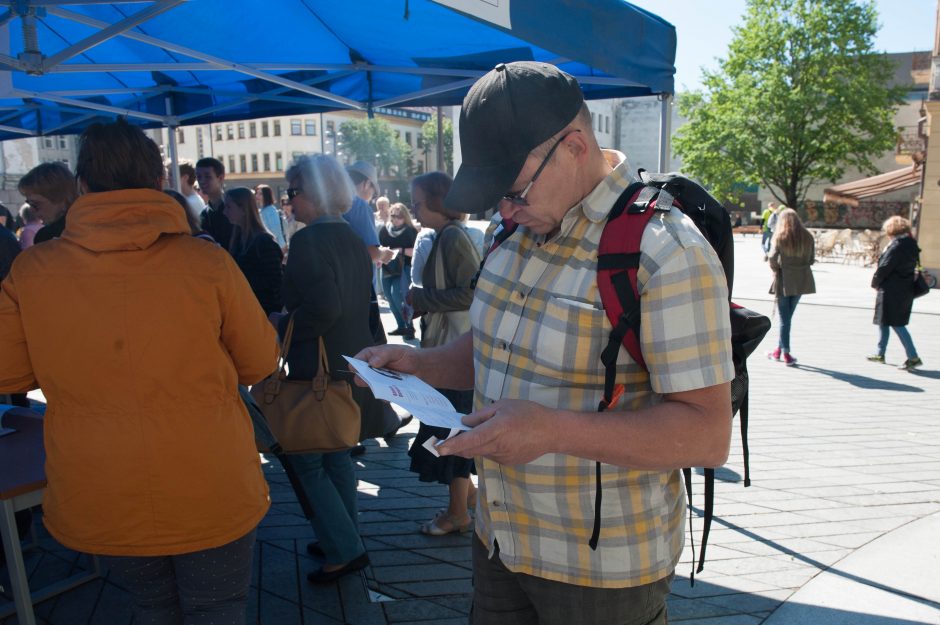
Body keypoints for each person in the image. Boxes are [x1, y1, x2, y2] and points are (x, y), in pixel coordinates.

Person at [355, 61, 733, 625]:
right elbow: (494, 349)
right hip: (499, 540)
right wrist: (417, 364)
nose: (503, 210)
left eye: (513, 191)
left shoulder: (665, 250)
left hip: (600, 569)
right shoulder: (513, 233)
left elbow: (707, 434)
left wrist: (551, 430)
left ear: (574, 147)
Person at [0, 119, 278, 624]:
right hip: (209, 477)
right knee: (217, 609)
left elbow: (8, 373)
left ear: (82, 185)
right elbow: (260, 361)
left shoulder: (33, 270)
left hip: (102, 477)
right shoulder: (205, 262)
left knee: (152, 607)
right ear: (158, 182)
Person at [276, 154, 386, 584]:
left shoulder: (309, 241)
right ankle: (342, 534)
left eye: (293, 192)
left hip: (316, 366)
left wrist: (281, 324)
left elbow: (322, 307)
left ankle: (343, 546)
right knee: (337, 453)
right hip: (348, 363)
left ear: (315, 194)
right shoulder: (351, 238)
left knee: (308, 459)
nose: (289, 202)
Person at [406, 171, 481, 535]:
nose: (414, 209)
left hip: (454, 354)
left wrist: (421, 299)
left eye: (418, 202)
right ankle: (464, 501)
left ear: (438, 202)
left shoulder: (451, 238)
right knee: (450, 428)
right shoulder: (447, 236)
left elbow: (469, 294)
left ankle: (458, 513)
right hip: (453, 351)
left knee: (450, 431)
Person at [867, 215, 922, 370]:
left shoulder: (897, 246)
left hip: (891, 289)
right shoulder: (910, 244)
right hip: (904, 288)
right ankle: (880, 352)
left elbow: (885, 267)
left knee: (897, 323)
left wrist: (875, 282)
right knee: (883, 320)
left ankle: (913, 356)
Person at [766, 208, 815, 366]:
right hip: (802, 280)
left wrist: (776, 270)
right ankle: (778, 350)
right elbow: (811, 259)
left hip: (785, 280)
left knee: (784, 320)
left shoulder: (780, 236)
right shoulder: (807, 236)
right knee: (787, 318)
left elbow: (772, 258)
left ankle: (785, 352)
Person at [223, 187, 283, 314]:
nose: (224, 212)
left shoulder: (264, 242)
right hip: (245, 310)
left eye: (229, 207)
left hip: (262, 312)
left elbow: (275, 283)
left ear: (243, 209)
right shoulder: (238, 239)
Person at [379, 202, 418, 339]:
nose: (395, 218)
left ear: (405, 216)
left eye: (398, 216)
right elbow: (379, 246)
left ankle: (409, 327)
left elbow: (415, 252)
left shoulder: (410, 231)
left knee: (397, 295)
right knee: (389, 297)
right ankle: (401, 326)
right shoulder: (385, 230)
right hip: (386, 267)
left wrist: (400, 250)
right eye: (392, 215)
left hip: (403, 268)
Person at [17, 161, 79, 244]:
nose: (34, 212)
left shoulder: (47, 236)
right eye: (30, 204)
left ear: (61, 198)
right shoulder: (88, 225)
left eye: (36, 204)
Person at [196, 156, 235, 251]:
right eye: (199, 177)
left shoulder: (234, 209)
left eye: (207, 176)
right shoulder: (204, 214)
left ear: (220, 178)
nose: (202, 181)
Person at [255, 184, 288, 250]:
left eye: (260, 194)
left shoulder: (271, 211)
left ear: (266, 196)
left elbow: (275, 232)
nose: (257, 196)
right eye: (257, 193)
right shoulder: (262, 211)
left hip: (276, 247)